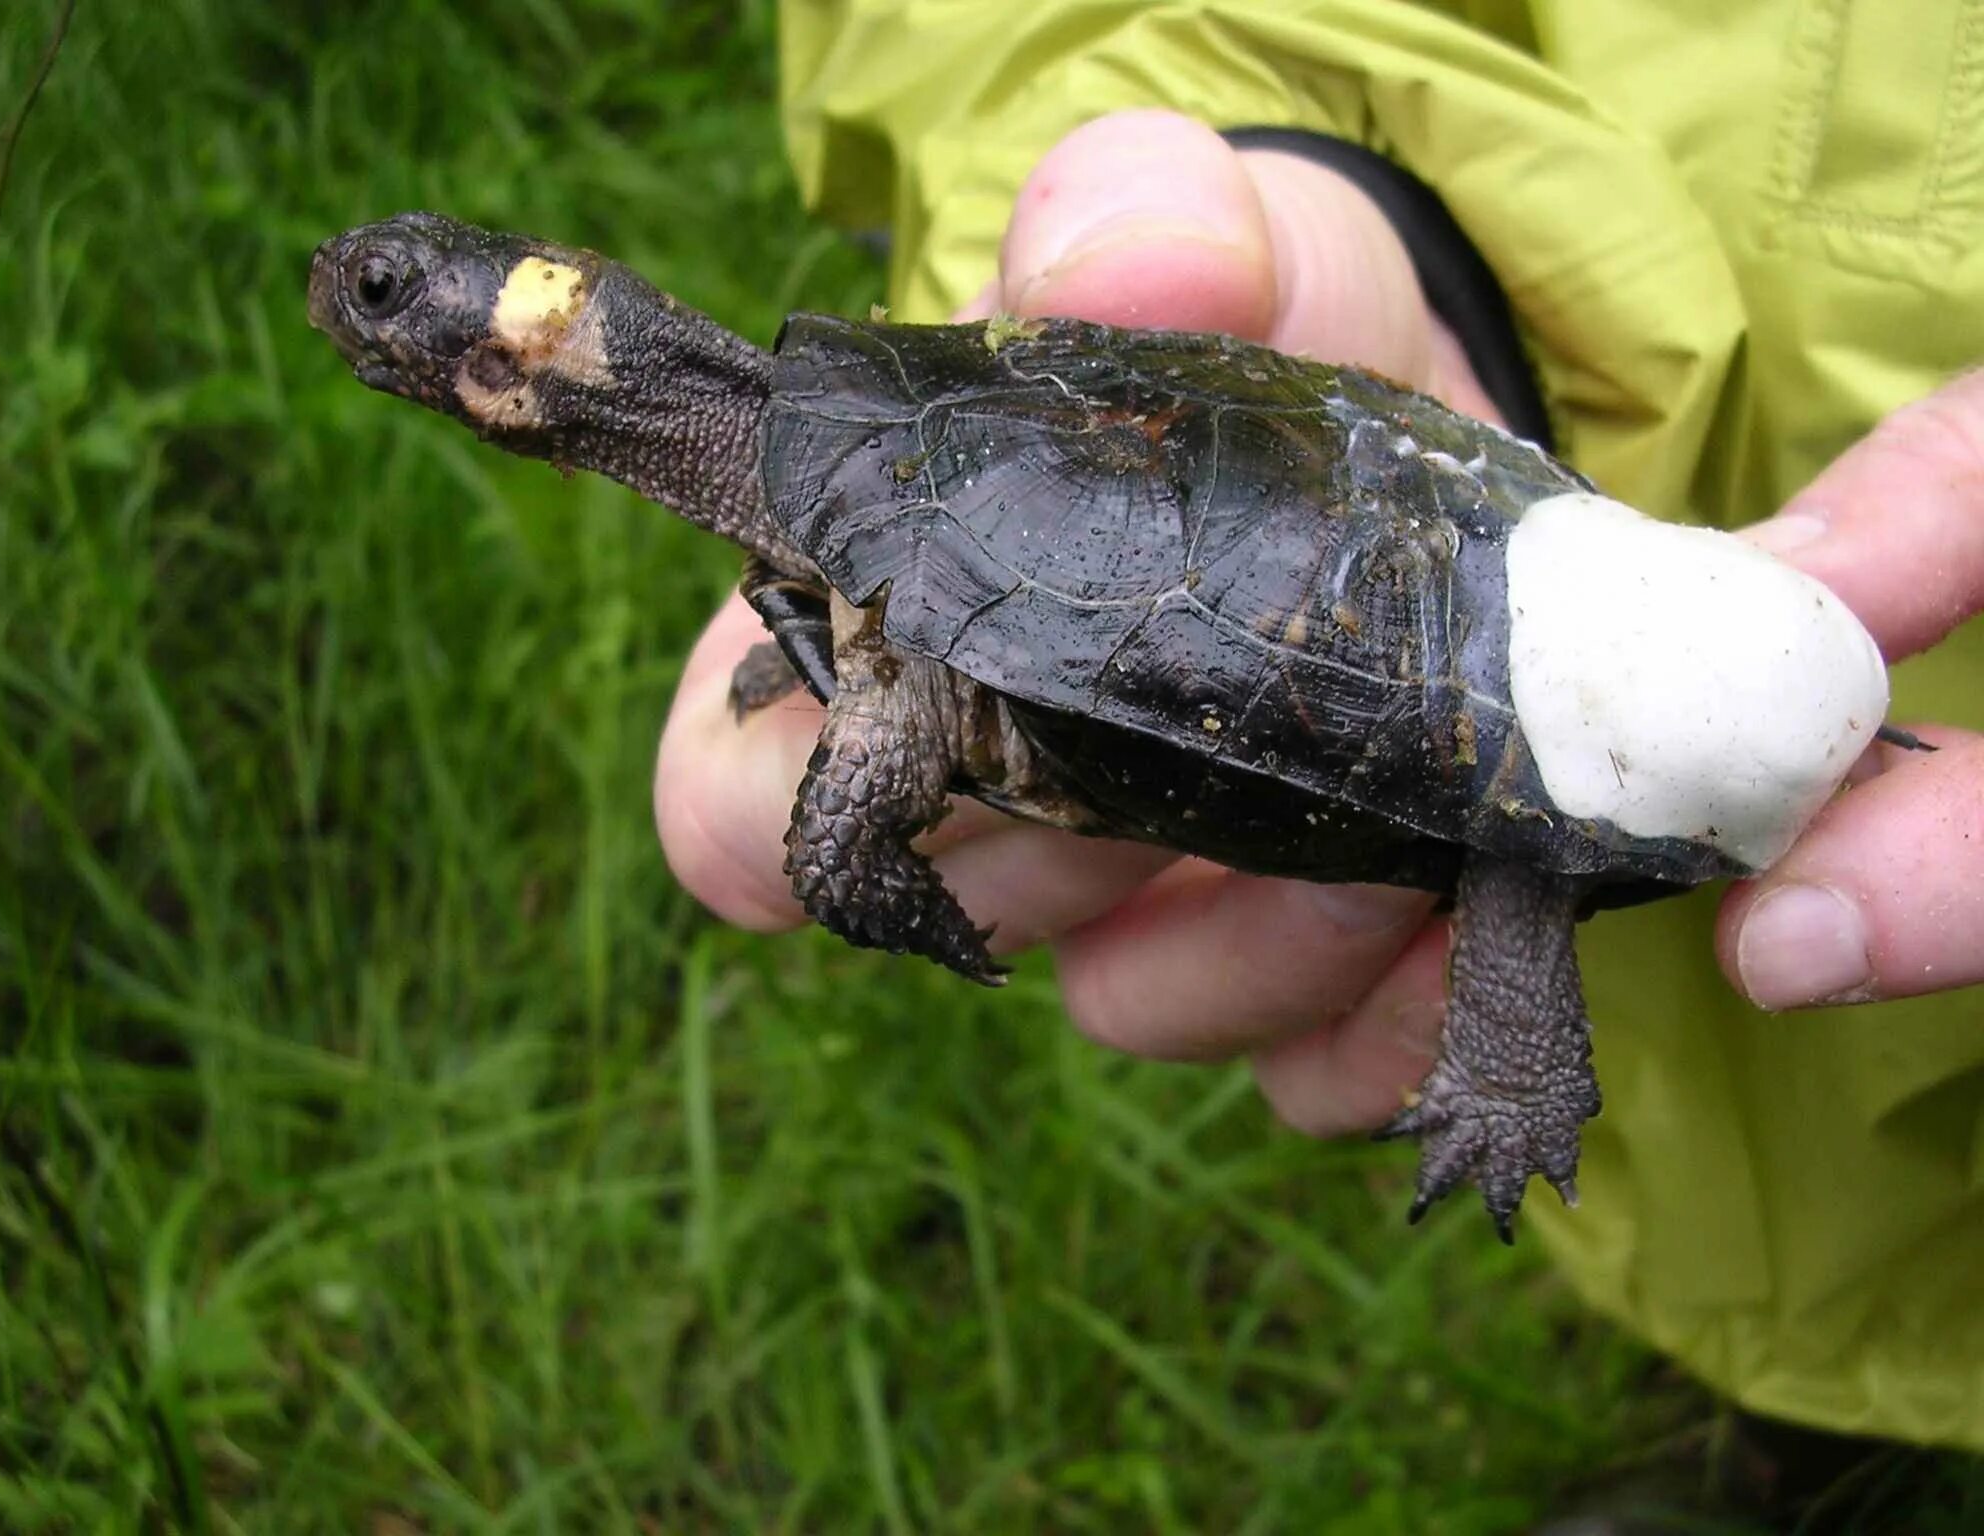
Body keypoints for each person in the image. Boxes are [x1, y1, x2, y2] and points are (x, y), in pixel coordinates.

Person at [655, 1, 1984, 1515]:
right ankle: (1792, 1446)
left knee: (1506, 843)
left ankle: (1786, 1408)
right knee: (1757, 1220)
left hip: (1511, 690)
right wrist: (1387, 227)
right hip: (1553, 623)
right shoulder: (865, 516)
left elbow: (860, 813)